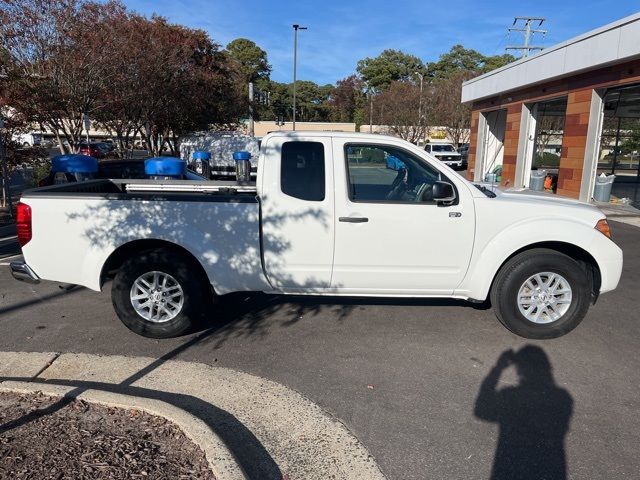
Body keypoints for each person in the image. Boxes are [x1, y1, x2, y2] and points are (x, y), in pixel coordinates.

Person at [474, 346, 573, 480]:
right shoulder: (563, 398)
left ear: (520, 369)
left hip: (511, 464)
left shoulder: (511, 395)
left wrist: (498, 368)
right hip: (551, 464)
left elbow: (481, 411)